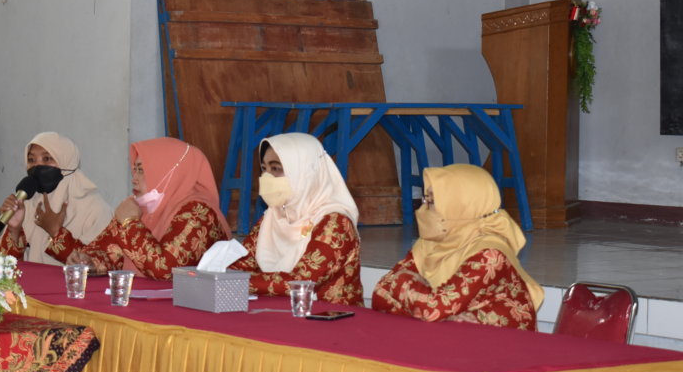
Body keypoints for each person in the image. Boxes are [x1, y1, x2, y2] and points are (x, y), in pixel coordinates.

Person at [371, 163, 544, 330]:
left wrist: (402, 281)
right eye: (425, 199)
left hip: (500, 345)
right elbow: (380, 294)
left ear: (460, 205)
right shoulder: (432, 241)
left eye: (432, 202)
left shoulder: (490, 254)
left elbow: (432, 309)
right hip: (450, 339)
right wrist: (443, 316)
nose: (423, 209)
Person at [63, 137, 230, 279]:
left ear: (168, 173)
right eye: (134, 170)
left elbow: (166, 270)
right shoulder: (143, 206)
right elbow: (110, 251)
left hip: (190, 305)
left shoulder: (199, 212)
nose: (134, 179)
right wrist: (89, 261)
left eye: (142, 171)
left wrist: (130, 223)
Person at [228, 132, 364, 305]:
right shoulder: (274, 215)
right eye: (264, 169)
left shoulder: (336, 222)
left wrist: (232, 280)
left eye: (276, 169)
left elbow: (302, 281)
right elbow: (241, 262)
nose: (266, 177)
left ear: (306, 172)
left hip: (328, 315)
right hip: (281, 311)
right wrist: (215, 274)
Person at [0, 131, 113, 266]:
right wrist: (14, 230)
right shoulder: (26, 203)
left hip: (69, 280)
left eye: (47, 159)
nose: (37, 166)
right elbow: (4, 266)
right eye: (31, 160)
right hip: (30, 280)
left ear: (67, 161)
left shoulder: (95, 209)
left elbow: (99, 265)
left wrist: (56, 232)